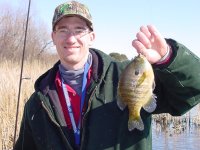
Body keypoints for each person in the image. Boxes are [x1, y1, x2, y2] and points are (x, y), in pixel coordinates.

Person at [14, 1, 200, 150]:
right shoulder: (37, 104)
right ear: (53, 36)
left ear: (91, 36)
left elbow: (192, 91)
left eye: (79, 30)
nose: (71, 38)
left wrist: (167, 59)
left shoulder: (126, 75)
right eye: (63, 30)